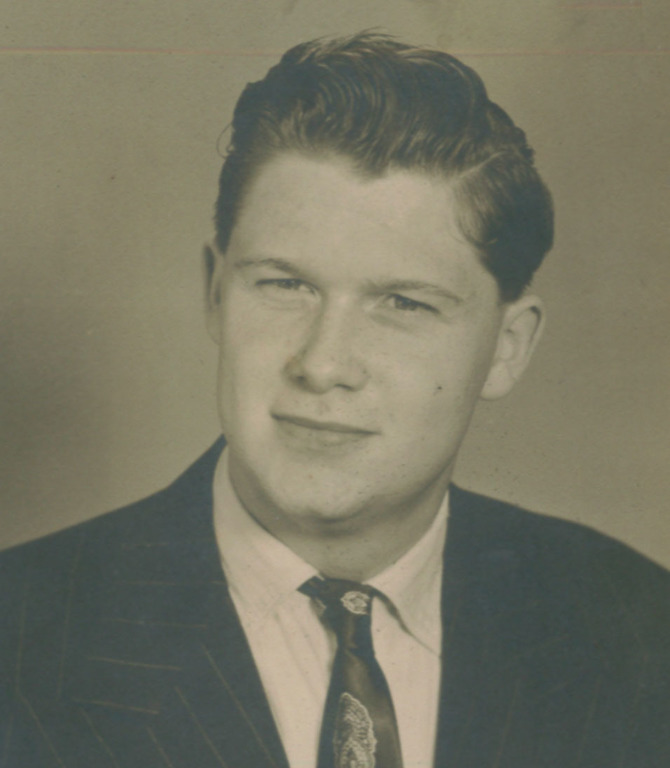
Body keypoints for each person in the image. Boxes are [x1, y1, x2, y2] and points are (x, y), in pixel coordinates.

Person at [1, 32, 668, 768]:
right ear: (216, 295)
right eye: (285, 284)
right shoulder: (20, 637)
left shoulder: (639, 631)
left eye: (405, 303)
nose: (322, 365)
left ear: (508, 348)